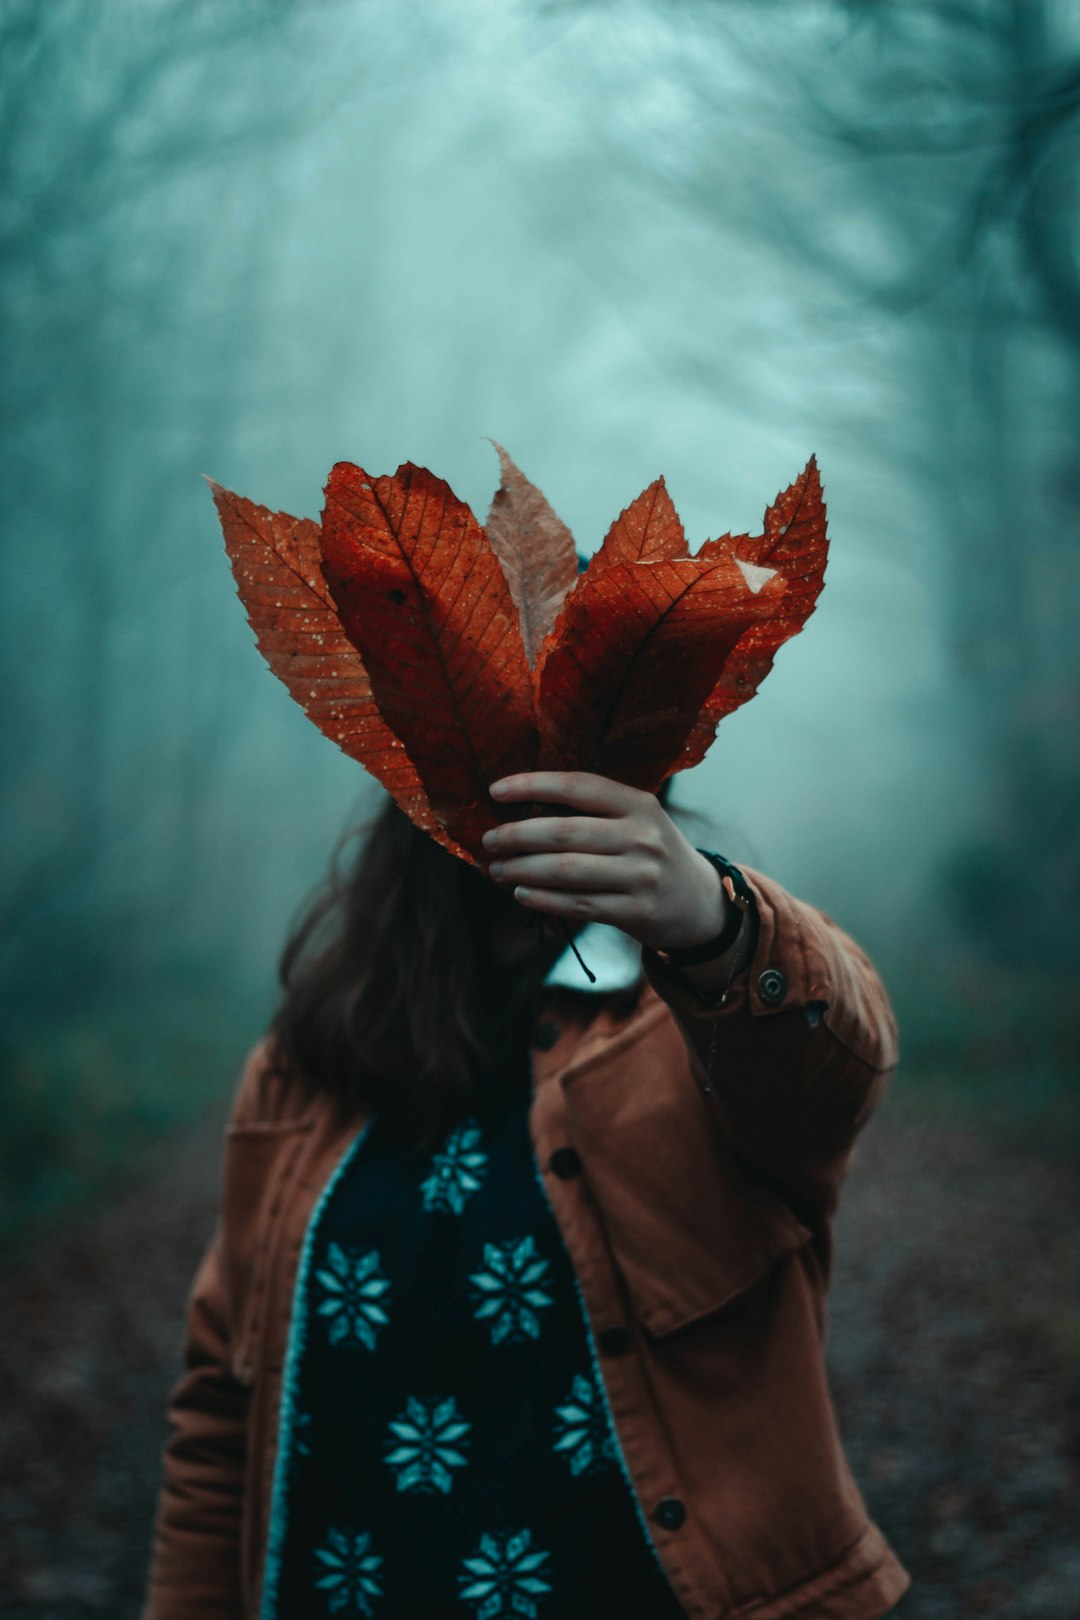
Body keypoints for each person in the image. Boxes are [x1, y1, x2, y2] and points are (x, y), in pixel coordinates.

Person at [142, 767, 912, 1620]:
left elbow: (835, 1068)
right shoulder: (309, 1062)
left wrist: (716, 924)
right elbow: (225, 1398)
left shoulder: (708, 1010)